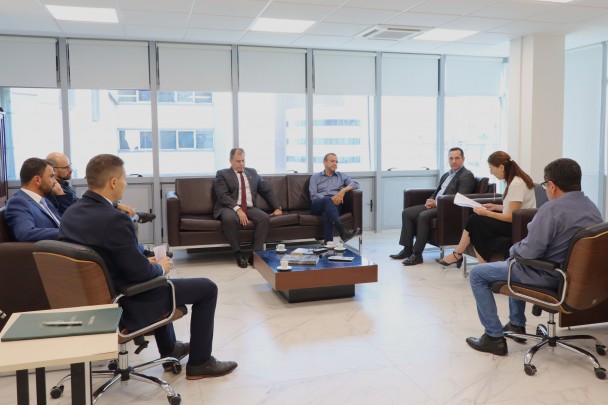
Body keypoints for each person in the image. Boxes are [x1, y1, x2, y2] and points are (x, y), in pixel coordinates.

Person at [59, 154, 237, 379]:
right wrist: (161, 267)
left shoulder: (71, 213)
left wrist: (144, 261)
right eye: (124, 178)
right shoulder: (114, 219)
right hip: (126, 302)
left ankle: (170, 350)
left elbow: (112, 255)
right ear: (113, 182)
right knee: (206, 288)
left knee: (161, 280)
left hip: (92, 301)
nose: (126, 183)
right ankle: (200, 364)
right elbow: (140, 274)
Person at [465, 158, 602, 356]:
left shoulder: (551, 210)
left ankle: (493, 337)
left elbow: (529, 252)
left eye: (546, 184)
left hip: (549, 275)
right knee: (514, 263)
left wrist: (513, 249)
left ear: (552, 185)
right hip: (577, 280)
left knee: (479, 273)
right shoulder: (592, 207)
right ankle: (516, 324)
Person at [436, 151, 536, 268]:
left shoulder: (516, 184)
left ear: (501, 167)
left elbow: (511, 217)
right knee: (476, 223)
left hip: (519, 227)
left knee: (475, 221)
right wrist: (495, 207)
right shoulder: (514, 181)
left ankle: (460, 255)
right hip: (517, 223)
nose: (491, 172)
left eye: (491, 168)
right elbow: (516, 207)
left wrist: (488, 213)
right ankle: (479, 265)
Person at [390, 147, 475, 266]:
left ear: (463, 159)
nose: (453, 161)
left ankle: (417, 255)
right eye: (451, 158)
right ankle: (407, 249)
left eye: (457, 158)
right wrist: (431, 199)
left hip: (448, 208)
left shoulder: (467, 176)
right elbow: (439, 191)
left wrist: (437, 203)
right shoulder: (446, 175)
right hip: (437, 204)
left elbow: (460, 198)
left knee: (423, 216)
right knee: (407, 213)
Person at [213, 148, 282, 268]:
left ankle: (255, 255)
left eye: (243, 161)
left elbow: (266, 190)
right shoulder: (222, 174)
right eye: (238, 161)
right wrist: (237, 209)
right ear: (230, 161)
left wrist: (277, 207)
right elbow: (223, 195)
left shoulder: (252, 173)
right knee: (230, 219)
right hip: (229, 207)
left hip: (249, 208)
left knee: (264, 218)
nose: (241, 164)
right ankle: (238, 253)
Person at [46, 152, 156, 223]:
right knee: (124, 222)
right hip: (84, 222)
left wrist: (116, 205)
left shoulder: (63, 185)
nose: (70, 170)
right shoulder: (55, 190)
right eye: (66, 167)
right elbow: (72, 211)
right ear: (53, 170)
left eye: (70, 165)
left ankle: (134, 218)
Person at [5, 158, 66, 241]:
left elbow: (61, 221)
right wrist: (66, 233)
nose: (55, 182)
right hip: (51, 251)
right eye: (51, 176)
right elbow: (25, 233)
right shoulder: (18, 203)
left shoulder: (44, 201)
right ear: (37, 180)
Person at [309, 153, 361, 245]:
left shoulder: (342, 176)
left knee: (327, 213)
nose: (335, 163)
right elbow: (313, 195)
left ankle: (329, 245)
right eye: (332, 161)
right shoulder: (315, 177)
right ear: (324, 162)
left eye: (336, 162)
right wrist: (329, 199)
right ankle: (342, 231)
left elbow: (356, 184)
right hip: (318, 205)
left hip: (335, 206)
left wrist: (343, 190)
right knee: (327, 200)